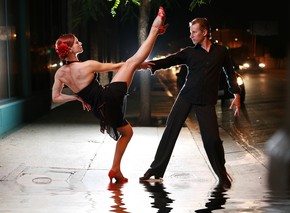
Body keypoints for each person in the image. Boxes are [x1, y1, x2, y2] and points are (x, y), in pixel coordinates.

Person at [52, 7, 168, 183]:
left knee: (127, 132)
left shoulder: (60, 73)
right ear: (69, 49)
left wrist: (76, 97)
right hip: (108, 97)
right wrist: (138, 65)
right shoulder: (87, 65)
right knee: (131, 61)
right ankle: (154, 30)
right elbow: (118, 66)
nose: (80, 43)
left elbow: (56, 97)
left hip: (101, 110)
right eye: (77, 42)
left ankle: (115, 169)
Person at [139, 17, 241, 188]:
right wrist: (149, 65)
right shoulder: (189, 52)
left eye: (194, 32)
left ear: (205, 32)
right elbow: (170, 60)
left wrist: (236, 94)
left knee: (212, 140)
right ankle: (155, 170)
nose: (191, 35)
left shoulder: (221, 52)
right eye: (190, 32)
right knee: (170, 131)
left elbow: (230, 74)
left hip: (207, 101)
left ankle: (221, 173)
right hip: (186, 97)